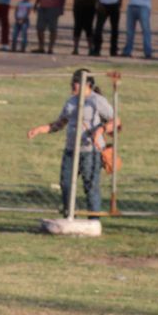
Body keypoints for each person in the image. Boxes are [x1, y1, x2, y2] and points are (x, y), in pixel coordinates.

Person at [29, 68, 113, 216]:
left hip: (90, 151)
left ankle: (94, 219)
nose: (73, 85)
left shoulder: (97, 100)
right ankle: (69, 214)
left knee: (90, 185)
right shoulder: (70, 101)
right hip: (70, 150)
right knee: (66, 183)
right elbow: (60, 123)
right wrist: (39, 130)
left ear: (87, 84)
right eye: (73, 81)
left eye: (76, 82)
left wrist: (100, 130)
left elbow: (115, 120)